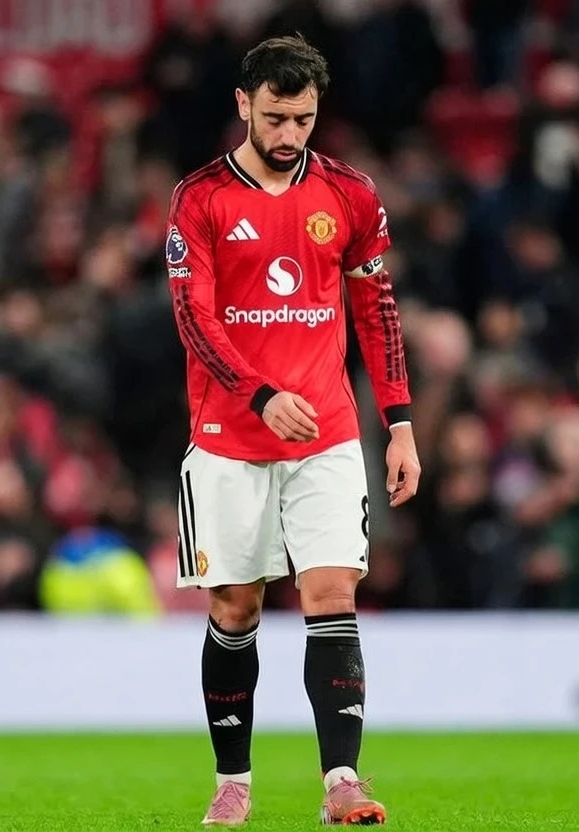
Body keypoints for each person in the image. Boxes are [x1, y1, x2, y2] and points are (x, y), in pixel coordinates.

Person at [165, 35, 420, 826]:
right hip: (228, 436)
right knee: (235, 608)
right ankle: (232, 781)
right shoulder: (200, 198)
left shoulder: (349, 193)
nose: (288, 134)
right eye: (275, 118)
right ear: (244, 104)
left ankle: (343, 781)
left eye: (303, 119)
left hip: (326, 433)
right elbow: (193, 319)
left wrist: (400, 423)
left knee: (331, 592)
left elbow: (377, 311)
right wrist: (259, 393)